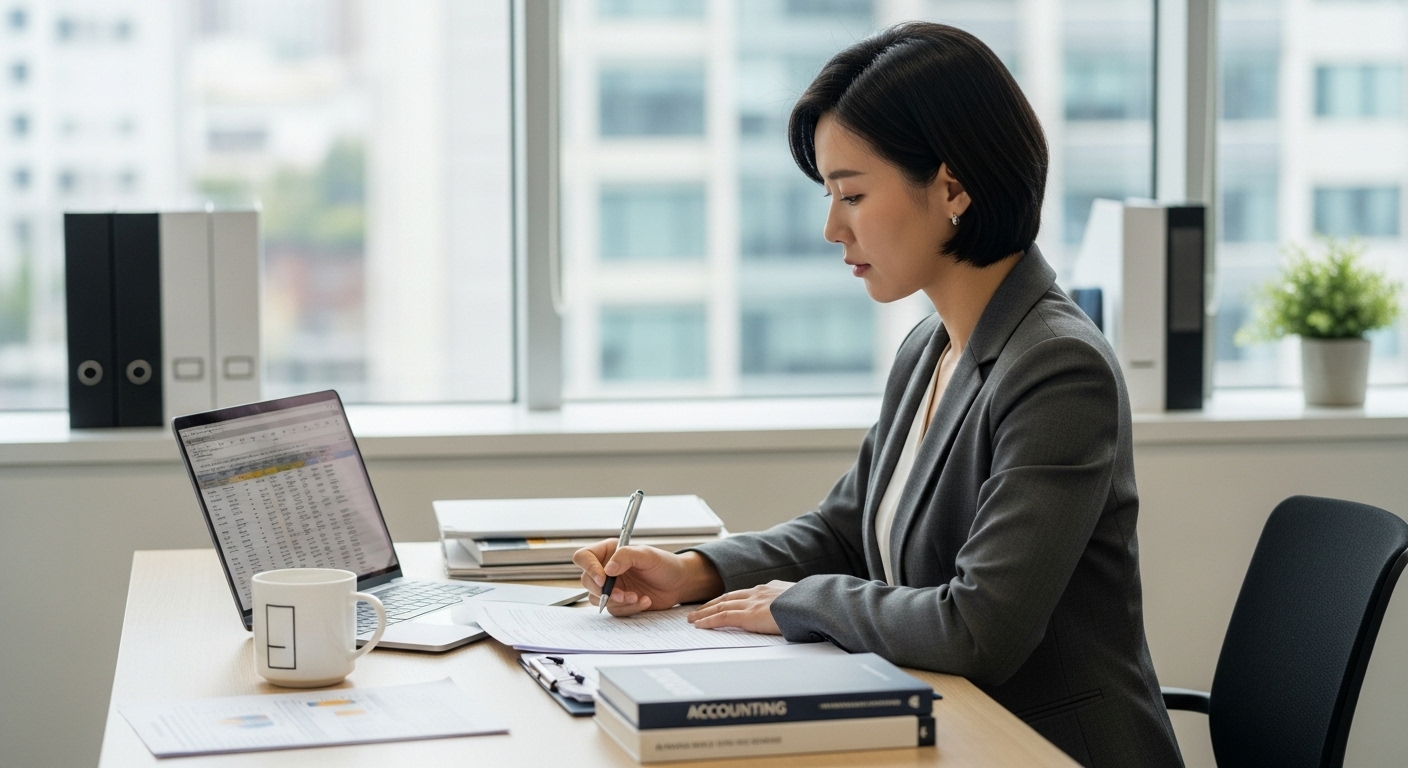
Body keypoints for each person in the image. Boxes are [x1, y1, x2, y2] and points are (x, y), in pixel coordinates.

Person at [573, 22, 1183, 768]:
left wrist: (796, 603)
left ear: (953, 188)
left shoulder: (1058, 368)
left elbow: (979, 629)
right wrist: (694, 571)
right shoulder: (930, 347)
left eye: (852, 194)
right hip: (947, 725)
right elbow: (846, 529)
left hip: (1044, 747)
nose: (832, 227)